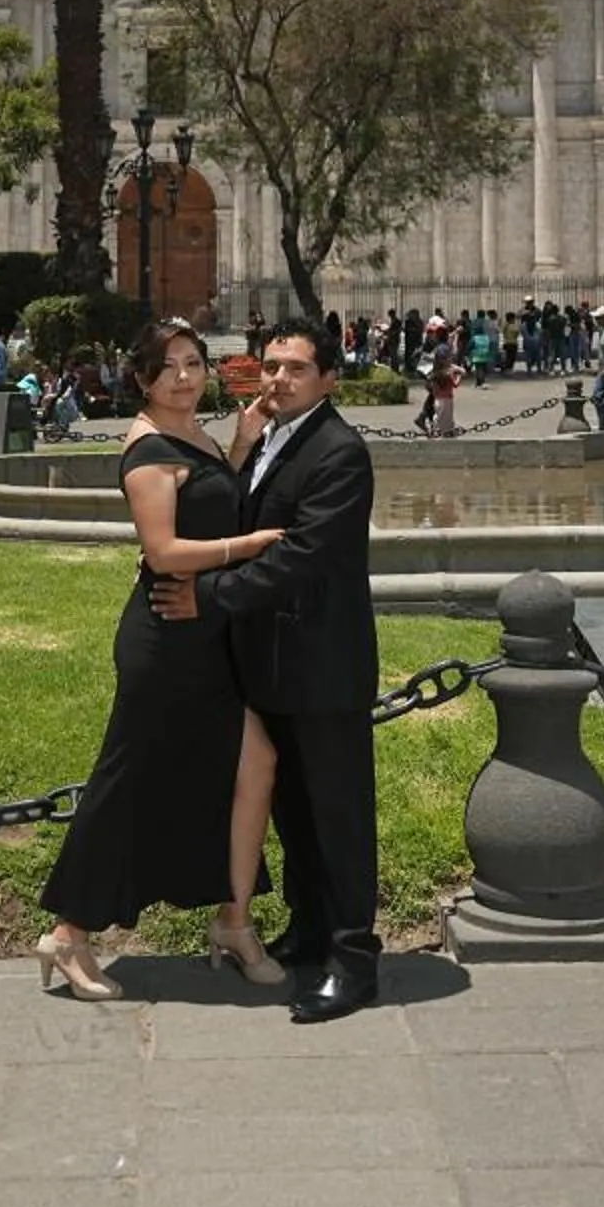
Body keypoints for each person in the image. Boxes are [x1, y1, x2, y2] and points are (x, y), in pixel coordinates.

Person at [35, 321, 288, 1001]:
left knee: (254, 762)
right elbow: (164, 552)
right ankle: (68, 933)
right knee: (129, 779)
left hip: (202, 629)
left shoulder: (194, 435)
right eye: (169, 366)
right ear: (142, 379)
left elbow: (212, 504)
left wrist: (238, 444)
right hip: (164, 636)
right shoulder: (147, 449)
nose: (185, 375)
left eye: (194, 362)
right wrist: (255, 544)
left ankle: (234, 920)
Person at [150, 318, 383, 1023]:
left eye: (296, 369)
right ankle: (312, 929)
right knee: (297, 811)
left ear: (330, 380)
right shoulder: (274, 437)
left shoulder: (339, 452)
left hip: (322, 662)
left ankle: (353, 958)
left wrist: (206, 597)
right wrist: (242, 445)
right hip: (273, 662)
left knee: (338, 815)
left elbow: (301, 555)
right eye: (271, 366)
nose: (278, 379)